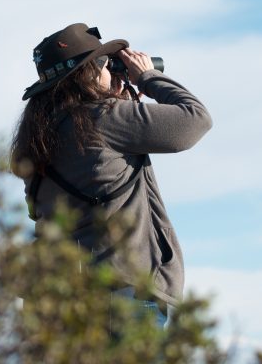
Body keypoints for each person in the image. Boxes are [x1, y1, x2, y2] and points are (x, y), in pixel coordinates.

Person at [11, 22, 211, 329]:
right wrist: (147, 77)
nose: (112, 70)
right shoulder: (105, 118)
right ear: (86, 73)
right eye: (105, 63)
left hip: (55, 294)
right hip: (120, 290)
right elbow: (196, 120)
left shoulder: (35, 138)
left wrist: (117, 100)